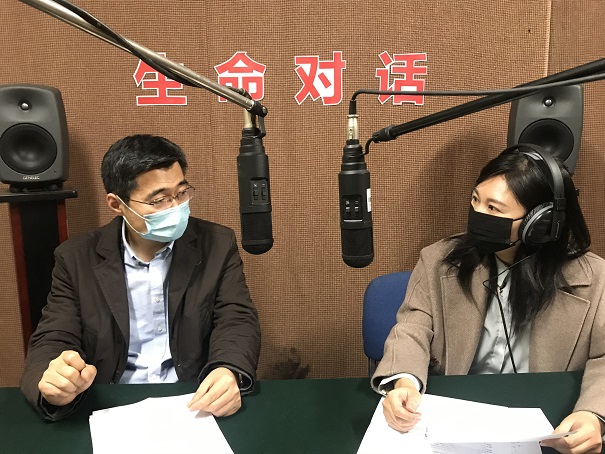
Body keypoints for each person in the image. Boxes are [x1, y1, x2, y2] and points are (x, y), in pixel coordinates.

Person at [372, 144, 605, 453]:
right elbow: (412, 327)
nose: (478, 214)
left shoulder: (595, 278)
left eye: (494, 209)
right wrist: (405, 382)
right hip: (455, 417)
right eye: (475, 200)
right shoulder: (438, 260)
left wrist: (593, 415)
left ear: (540, 222)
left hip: (550, 421)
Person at [20, 134, 261, 421]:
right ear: (116, 204)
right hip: (110, 402)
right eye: (158, 200)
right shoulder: (76, 258)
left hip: (192, 398)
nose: (175, 207)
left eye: (181, 192)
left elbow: (236, 318)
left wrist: (228, 369)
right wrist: (54, 379)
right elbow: (53, 335)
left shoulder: (217, 244)